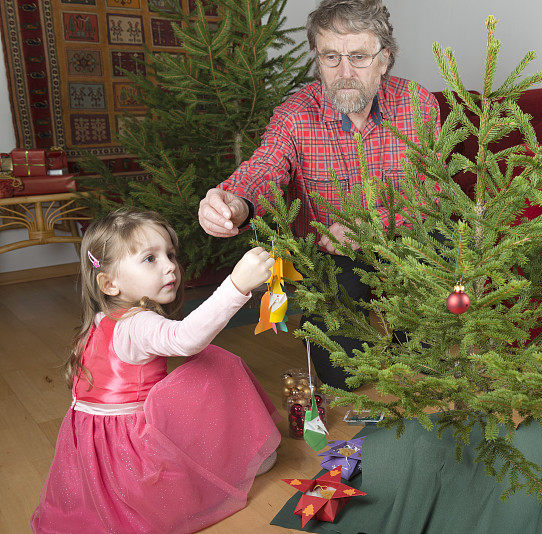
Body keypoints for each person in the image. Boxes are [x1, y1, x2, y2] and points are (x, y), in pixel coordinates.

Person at [197, 0, 440, 390]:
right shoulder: (295, 114)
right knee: (341, 376)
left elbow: (433, 195)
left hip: (405, 243)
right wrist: (234, 202)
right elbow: (264, 166)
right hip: (330, 256)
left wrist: (371, 225)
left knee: (433, 361)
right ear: (317, 58)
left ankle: (413, 335)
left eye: (359, 57)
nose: (344, 73)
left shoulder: (418, 104)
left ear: (385, 59)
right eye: (331, 57)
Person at [31, 208, 282, 533]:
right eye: (150, 259)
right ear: (109, 283)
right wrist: (237, 284)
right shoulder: (137, 324)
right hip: (134, 452)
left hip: (96, 452)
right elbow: (187, 339)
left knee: (196, 369)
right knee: (215, 363)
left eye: (171, 255)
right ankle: (239, 456)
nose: (170, 267)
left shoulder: (99, 321)